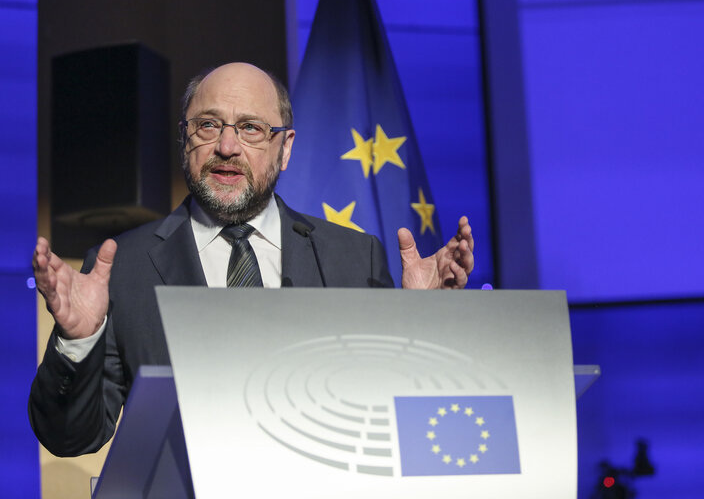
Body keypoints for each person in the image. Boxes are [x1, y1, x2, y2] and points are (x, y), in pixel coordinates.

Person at [29, 62, 474, 457]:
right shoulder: (124, 268)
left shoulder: (354, 259)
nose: (227, 146)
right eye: (208, 125)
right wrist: (77, 342)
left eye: (251, 129)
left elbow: (395, 427)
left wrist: (421, 322)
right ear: (185, 139)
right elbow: (70, 439)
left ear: (285, 148)